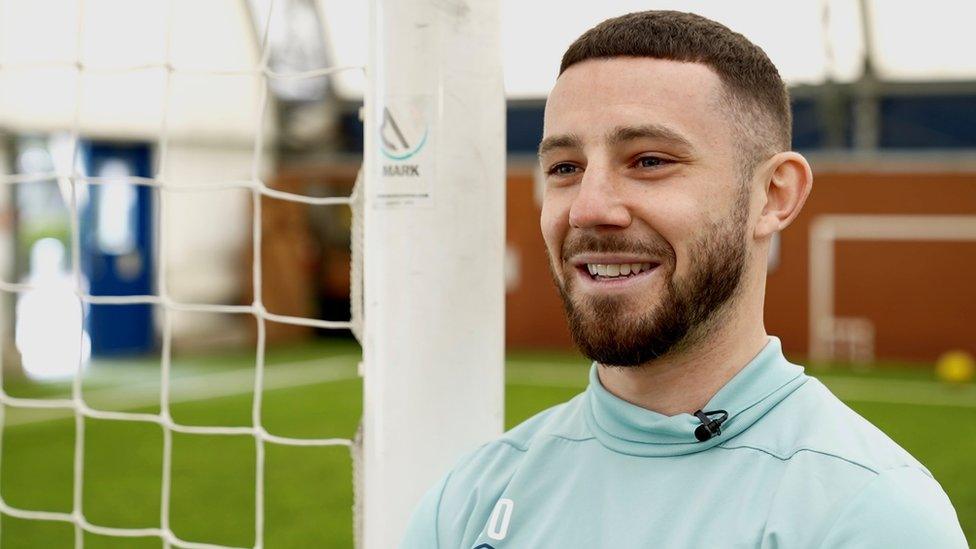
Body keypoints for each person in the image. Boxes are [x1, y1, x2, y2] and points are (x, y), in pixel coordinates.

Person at [399, 10, 968, 548]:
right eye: (565, 168)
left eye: (649, 160)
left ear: (774, 195)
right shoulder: (470, 499)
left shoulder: (869, 514)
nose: (588, 208)